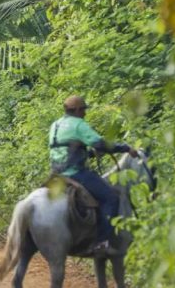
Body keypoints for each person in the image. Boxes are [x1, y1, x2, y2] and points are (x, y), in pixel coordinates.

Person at [49, 95, 138, 254]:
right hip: (75, 173)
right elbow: (101, 143)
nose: (85, 113)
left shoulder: (55, 125)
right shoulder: (78, 124)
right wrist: (125, 148)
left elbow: (65, 150)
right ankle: (102, 242)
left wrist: (89, 154)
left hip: (55, 174)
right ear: (76, 110)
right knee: (111, 197)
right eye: (83, 109)